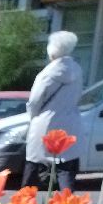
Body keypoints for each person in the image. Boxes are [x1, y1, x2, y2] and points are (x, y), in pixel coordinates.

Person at [23, 30, 84, 190]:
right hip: (71, 122)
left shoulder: (47, 74)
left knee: (33, 165)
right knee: (66, 168)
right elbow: (78, 96)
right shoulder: (77, 70)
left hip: (45, 122)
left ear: (51, 51)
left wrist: (32, 117)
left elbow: (35, 101)